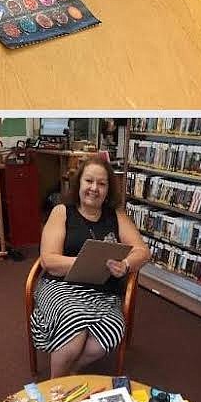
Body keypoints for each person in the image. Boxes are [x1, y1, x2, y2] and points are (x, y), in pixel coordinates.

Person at [31, 155, 150, 377]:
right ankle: (54, 388)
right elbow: (48, 260)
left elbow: (143, 252)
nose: (94, 188)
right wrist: (86, 261)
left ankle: (71, 372)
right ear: (79, 183)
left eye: (102, 183)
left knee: (110, 332)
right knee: (74, 332)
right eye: (89, 181)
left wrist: (124, 265)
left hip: (102, 291)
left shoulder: (116, 215)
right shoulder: (62, 212)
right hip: (60, 287)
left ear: (108, 190)